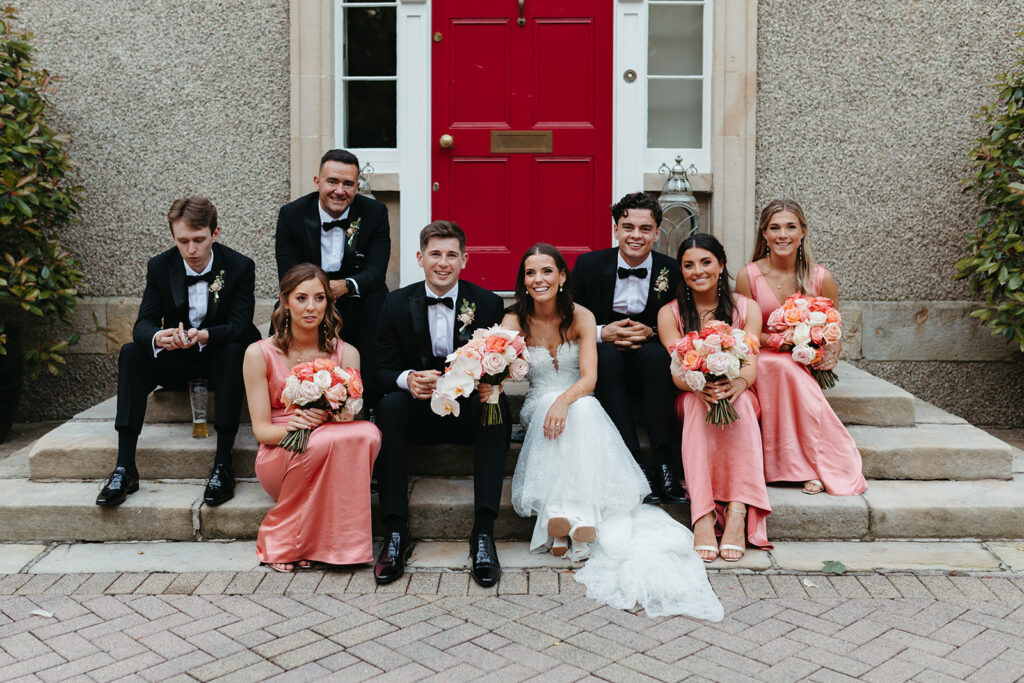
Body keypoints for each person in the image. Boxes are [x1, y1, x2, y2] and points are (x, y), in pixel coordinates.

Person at [502, 243, 722, 620]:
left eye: (546, 271)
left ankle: (567, 522)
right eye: (530, 273)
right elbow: (503, 370)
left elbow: (588, 379)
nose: (538, 279)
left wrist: (564, 401)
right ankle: (575, 519)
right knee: (572, 410)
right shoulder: (513, 320)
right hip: (537, 402)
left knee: (583, 407)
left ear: (562, 276)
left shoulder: (583, 316)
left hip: (576, 398)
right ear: (523, 281)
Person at [96, 197, 260, 508]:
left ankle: (223, 466)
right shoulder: (160, 266)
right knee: (132, 352)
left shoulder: (240, 267)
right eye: (183, 241)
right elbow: (144, 322)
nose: (191, 249)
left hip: (220, 361)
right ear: (173, 238)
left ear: (215, 233)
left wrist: (207, 335)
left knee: (235, 351)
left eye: (199, 240)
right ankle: (124, 467)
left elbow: (241, 326)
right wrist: (160, 337)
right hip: (178, 361)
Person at [373, 220, 510, 587]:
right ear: (420, 258)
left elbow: (498, 363)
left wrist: (484, 384)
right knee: (389, 407)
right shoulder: (396, 302)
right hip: (417, 409)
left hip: (466, 409)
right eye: (435, 254)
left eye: (452, 254)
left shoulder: (487, 303)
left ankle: (483, 532)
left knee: (496, 406)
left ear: (464, 259)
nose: (443, 262)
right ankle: (396, 532)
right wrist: (406, 379)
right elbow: (380, 368)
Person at [242, 264, 381, 572]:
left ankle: (320, 545)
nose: (311, 307)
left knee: (369, 433)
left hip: (328, 448)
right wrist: (294, 427)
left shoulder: (347, 354)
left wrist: (328, 417)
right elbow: (262, 431)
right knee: (321, 442)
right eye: (302, 298)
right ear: (285, 301)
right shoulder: (258, 353)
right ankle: (280, 540)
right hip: (281, 451)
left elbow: (348, 423)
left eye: (320, 298)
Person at [735, 199, 867, 496]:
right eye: (775, 227)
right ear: (764, 233)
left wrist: (831, 352)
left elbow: (834, 330)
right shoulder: (749, 276)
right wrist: (784, 340)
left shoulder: (821, 277)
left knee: (788, 367)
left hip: (804, 359)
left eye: (790, 227)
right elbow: (746, 332)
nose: (783, 234)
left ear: (803, 232)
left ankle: (816, 463)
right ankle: (804, 466)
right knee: (778, 365)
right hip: (764, 355)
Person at [658, 233, 771, 562]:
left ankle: (738, 510)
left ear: (721, 265)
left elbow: (750, 361)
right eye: (689, 265)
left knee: (745, 403)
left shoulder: (746, 308)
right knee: (696, 406)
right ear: (681, 270)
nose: (698, 271)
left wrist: (737, 384)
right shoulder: (671, 313)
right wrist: (697, 386)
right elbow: (676, 370)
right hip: (691, 392)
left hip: (738, 389)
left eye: (706, 262)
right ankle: (703, 514)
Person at [571, 192, 684, 504]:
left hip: (648, 356)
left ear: (657, 233)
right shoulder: (588, 265)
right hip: (605, 358)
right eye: (628, 227)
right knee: (604, 357)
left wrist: (653, 331)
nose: (636, 235)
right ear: (616, 230)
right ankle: (633, 464)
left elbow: (682, 320)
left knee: (657, 356)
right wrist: (601, 332)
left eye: (645, 229)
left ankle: (664, 465)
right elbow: (566, 319)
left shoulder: (672, 270)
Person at [275, 149, 390, 405]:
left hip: (356, 295)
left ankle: (370, 402)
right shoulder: (292, 215)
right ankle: (291, 397)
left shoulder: (375, 213)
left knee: (377, 305)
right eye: (332, 182)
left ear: (357, 186)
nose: (340, 190)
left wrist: (347, 285)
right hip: (310, 294)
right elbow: (288, 273)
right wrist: (320, 293)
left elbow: (376, 271)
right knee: (282, 310)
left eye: (348, 184)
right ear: (317, 182)